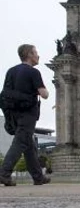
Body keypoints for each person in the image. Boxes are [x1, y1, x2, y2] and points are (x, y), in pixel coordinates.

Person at [0, 44, 51, 186]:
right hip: (27, 113)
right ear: (29, 54)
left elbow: (6, 92)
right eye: (36, 52)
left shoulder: (11, 71)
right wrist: (45, 92)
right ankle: (4, 173)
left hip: (12, 113)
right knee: (20, 142)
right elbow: (44, 94)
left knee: (29, 145)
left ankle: (38, 177)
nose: (38, 55)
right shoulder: (33, 72)